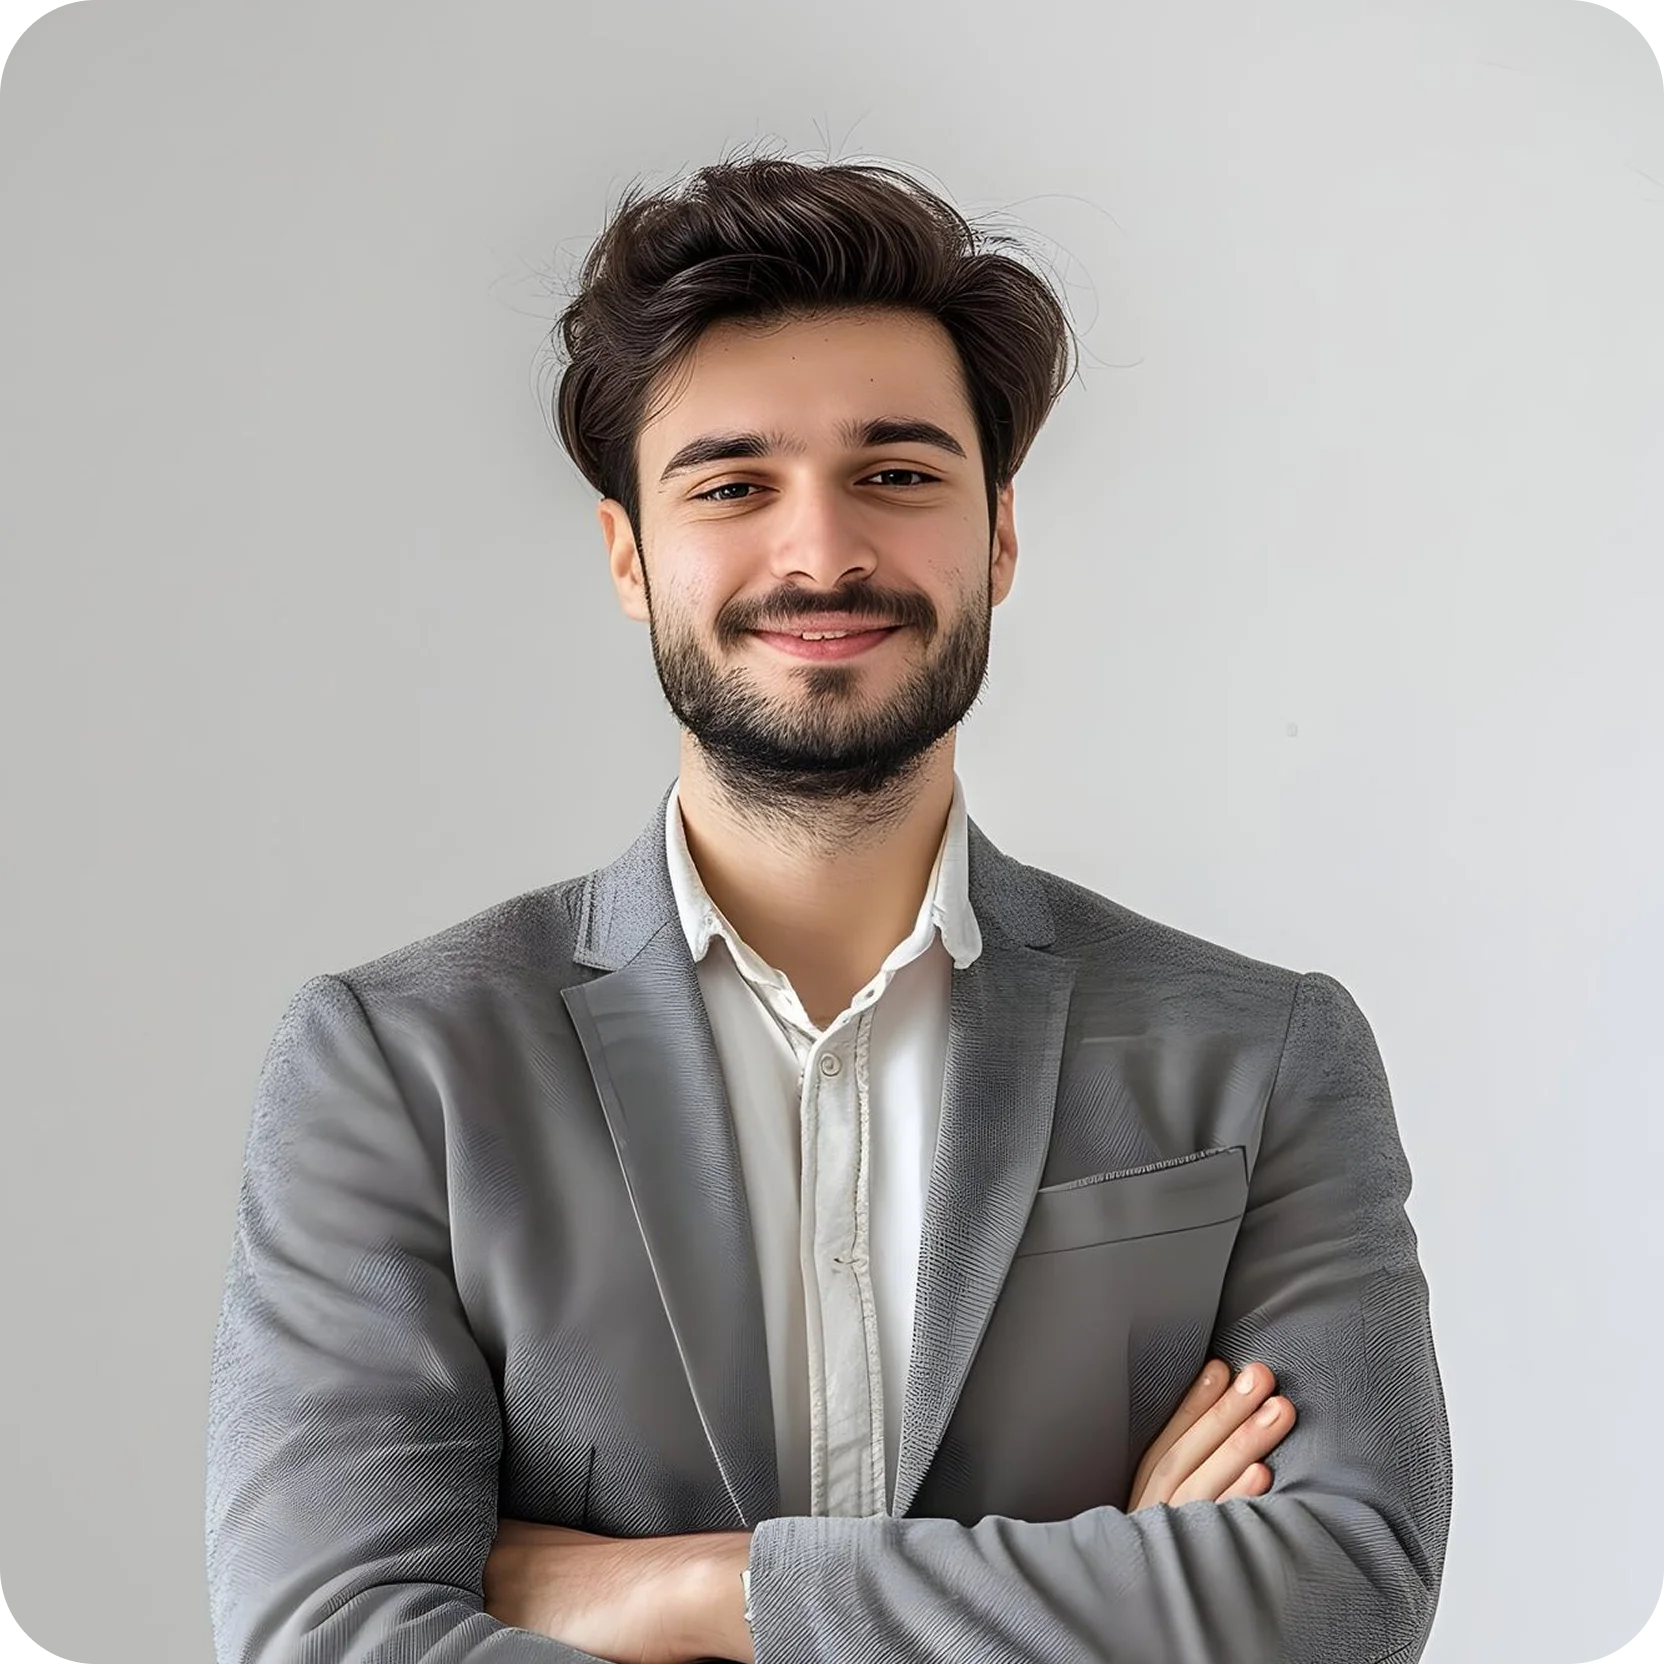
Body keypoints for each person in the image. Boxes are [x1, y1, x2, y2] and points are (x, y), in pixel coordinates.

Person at [205, 149, 1452, 1664]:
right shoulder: (398, 1066)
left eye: (897, 473)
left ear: (998, 534)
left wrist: (696, 1594)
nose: (821, 551)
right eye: (734, 486)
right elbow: (330, 1637)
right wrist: (1103, 1590)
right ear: (629, 555)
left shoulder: (1264, 1051)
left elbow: (1345, 1595)